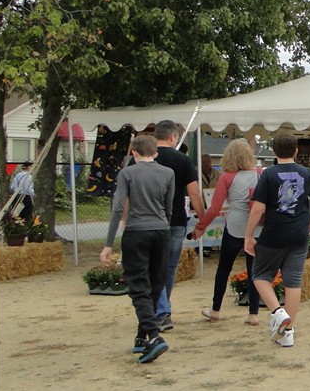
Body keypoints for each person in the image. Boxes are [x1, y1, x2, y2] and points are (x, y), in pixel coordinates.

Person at [243, 133, 310, 348]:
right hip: (299, 233)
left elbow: (258, 208)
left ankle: (278, 312)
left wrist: (248, 235)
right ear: (297, 150)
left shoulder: (268, 174)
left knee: (260, 275)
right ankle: (288, 332)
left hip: (274, 233)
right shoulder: (306, 173)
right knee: (294, 281)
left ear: (273, 151)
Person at [100, 134, 176, 364]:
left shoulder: (127, 174)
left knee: (138, 285)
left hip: (135, 231)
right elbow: (169, 206)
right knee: (156, 282)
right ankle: (142, 335)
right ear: (156, 152)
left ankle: (153, 335)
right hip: (161, 230)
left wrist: (108, 244)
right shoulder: (168, 173)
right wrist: (165, 227)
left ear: (133, 153)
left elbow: (117, 210)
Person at [126, 120, 206, 332]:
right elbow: (195, 193)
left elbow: (126, 195)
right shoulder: (182, 160)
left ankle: (159, 309)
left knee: (153, 268)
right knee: (168, 269)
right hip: (176, 220)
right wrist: (202, 219)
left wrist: (126, 221)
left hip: (144, 221)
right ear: (172, 137)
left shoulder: (137, 161)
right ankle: (162, 310)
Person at [193, 139, 264, 326]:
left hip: (234, 226)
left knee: (224, 268)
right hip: (256, 226)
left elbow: (215, 208)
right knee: (254, 271)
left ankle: (216, 310)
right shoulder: (260, 174)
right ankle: (253, 314)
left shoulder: (226, 177)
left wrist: (201, 227)